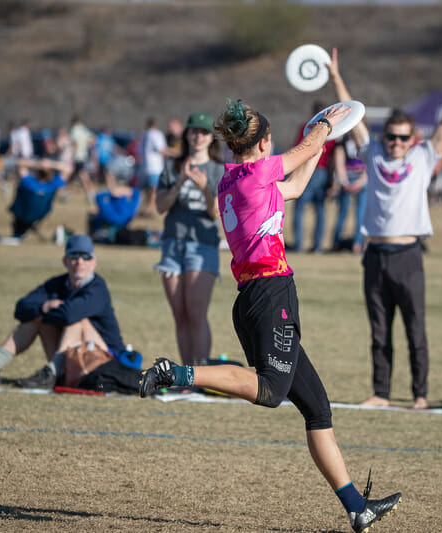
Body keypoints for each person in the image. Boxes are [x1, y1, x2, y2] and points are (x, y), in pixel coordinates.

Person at [138, 99, 401, 533]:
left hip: (257, 296)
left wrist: (319, 145)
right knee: (269, 391)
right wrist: (323, 126)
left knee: (317, 409)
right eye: (270, 141)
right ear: (261, 144)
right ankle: (177, 373)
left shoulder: (234, 179)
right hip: (268, 294)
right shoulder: (256, 173)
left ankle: (357, 507)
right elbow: (305, 146)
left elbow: (295, 187)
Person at [329, 49, 442, 409]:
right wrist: (336, 75)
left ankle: (419, 395)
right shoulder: (373, 152)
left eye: (402, 138)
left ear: (413, 139)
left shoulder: (424, 156)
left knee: (415, 330)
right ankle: (380, 392)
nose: (396, 143)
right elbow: (351, 112)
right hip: (375, 254)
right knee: (379, 331)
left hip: (409, 255)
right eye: (391, 137)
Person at [0, 234, 125, 389]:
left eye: (86, 257)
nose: (80, 262)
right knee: (36, 318)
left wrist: (48, 310)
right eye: (74, 257)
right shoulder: (57, 283)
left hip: (105, 361)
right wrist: (44, 307)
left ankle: (51, 373)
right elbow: (21, 308)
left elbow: (70, 315)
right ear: (65, 261)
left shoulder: (98, 289)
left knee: (77, 321)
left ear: (94, 262)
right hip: (73, 359)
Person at [154, 112, 224, 367]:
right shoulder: (173, 167)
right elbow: (160, 206)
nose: (198, 136)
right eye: (194, 131)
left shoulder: (219, 169)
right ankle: (184, 375)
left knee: (196, 313)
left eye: (204, 132)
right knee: (180, 315)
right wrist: (179, 183)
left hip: (202, 245)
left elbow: (216, 213)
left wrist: (205, 188)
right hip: (173, 244)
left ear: (211, 138)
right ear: (186, 135)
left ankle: (201, 375)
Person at [289, 101, 336, 253]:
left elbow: (298, 149)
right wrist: (331, 179)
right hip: (322, 172)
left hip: (308, 171)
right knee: (320, 209)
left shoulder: (306, 128)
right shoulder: (332, 132)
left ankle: (299, 244)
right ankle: (317, 246)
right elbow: (332, 158)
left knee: (300, 208)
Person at [7, 158, 72, 240]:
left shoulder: (29, 182)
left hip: (23, 213)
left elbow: (20, 163)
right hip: (40, 215)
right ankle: (24, 230)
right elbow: (68, 169)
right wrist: (51, 164)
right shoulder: (52, 185)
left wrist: (38, 163)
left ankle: (19, 232)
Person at [331, 133, 367, 254]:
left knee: (361, 214)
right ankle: (336, 243)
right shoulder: (342, 144)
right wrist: (345, 182)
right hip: (347, 181)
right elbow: (339, 163)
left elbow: (369, 165)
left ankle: (358, 244)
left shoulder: (365, 144)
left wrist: (360, 182)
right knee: (342, 212)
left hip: (362, 182)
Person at [139, 116, 169, 217]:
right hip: (154, 166)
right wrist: (175, 153)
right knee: (154, 189)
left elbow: (138, 150)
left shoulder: (145, 135)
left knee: (148, 189)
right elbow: (161, 149)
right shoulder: (156, 134)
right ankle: (151, 210)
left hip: (145, 166)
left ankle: (147, 208)